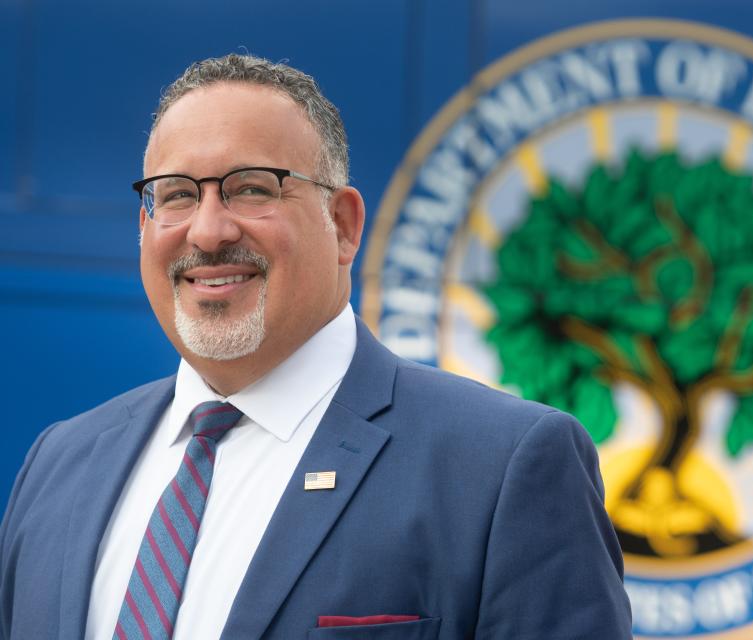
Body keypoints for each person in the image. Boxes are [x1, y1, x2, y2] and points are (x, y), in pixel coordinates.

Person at [0, 54, 632, 639]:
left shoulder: (503, 468)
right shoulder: (59, 464)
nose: (209, 229)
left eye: (252, 188)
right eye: (176, 195)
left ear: (344, 226)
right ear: (145, 228)